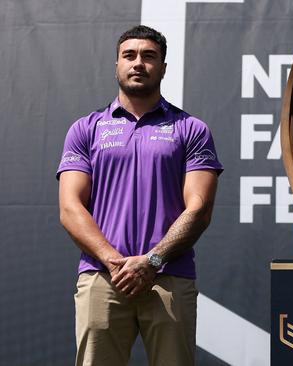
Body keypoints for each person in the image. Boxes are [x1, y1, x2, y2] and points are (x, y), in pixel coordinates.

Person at [57, 25, 223, 366]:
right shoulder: (86, 129)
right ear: (116, 64)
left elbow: (200, 207)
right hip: (103, 277)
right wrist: (113, 261)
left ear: (163, 67)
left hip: (169, 278)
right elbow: (70, 207)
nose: (138, 63)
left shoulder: (191, 129)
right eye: (129, 55)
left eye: (149, 56)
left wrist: (152, 261)